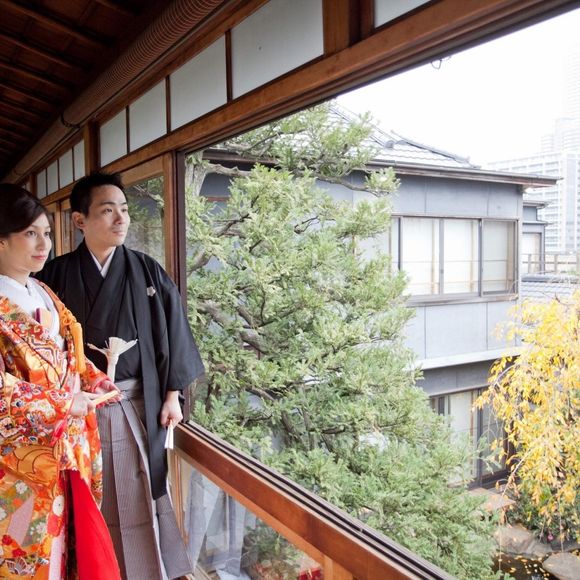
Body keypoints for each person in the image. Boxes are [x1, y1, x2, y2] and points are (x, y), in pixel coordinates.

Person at [37, 172, 204, 579]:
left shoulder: (147, 272)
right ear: (80, 220)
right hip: (78, 411)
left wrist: (172, 395)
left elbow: (174, 331)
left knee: (135, 496)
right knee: (82, 499)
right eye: (108, 211)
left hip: (136, 404)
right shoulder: (54, 275)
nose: (121, 219)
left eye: (124, 210)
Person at [0, 184, 121, 579]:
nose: (44, 245)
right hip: (20, 459)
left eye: (47, 233)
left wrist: (93, 378)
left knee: (66, 545)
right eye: (30, 233)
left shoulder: (42, 290)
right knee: (25, 549)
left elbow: (70, 354)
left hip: (67, 444)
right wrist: (64, 403)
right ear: (1, 240)